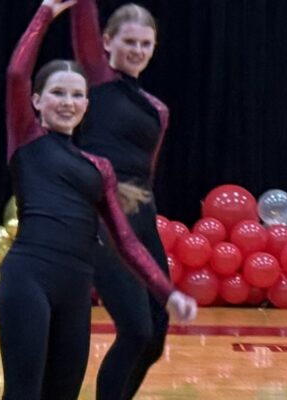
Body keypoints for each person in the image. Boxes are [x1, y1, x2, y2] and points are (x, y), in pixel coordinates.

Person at [0, 1, 197, 398]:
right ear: (36, 101)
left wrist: (170, 293)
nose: (67, 101)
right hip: (48, 258)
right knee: (27, 390)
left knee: (144, 339)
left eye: (146, 43)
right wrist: (47, 10)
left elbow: (132, 230)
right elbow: (18, 74)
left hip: (102, 255)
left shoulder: (122, 146)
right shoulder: (33, 135)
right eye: (57, 93)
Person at [69, 3, 173, 398]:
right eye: (129, 41)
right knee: (136, 330)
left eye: (146, 44)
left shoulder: (158, 110)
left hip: (142, 221)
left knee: (155, 334)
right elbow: (83, 16)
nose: (137, 50)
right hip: (102, 219)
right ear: (108, 42)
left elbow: (148, 172)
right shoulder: (96, 78)